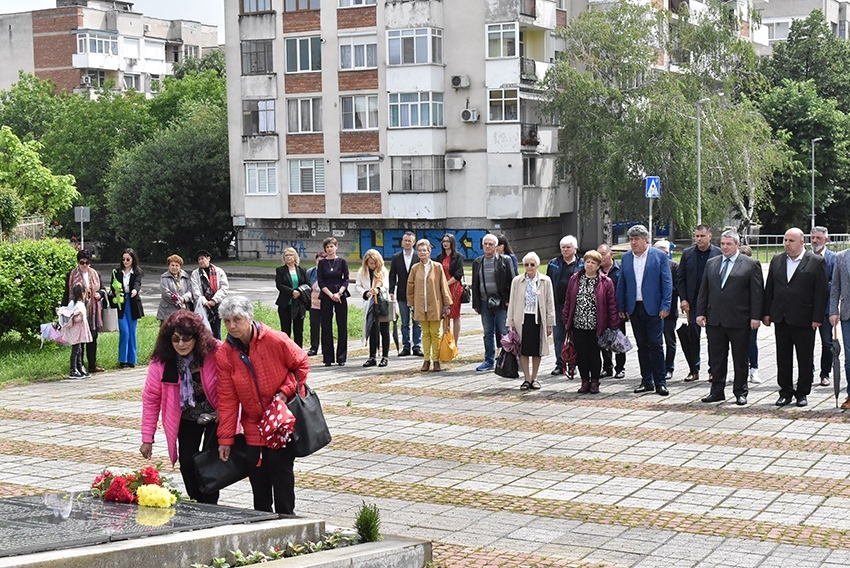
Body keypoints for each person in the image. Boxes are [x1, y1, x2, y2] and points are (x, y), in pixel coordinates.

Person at [216, 296, 310, 515]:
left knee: (281, 472)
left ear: (249, 318)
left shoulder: (275, 339)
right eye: (227, 321)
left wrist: (286, 391)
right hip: (253, 424)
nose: (232, 326)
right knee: (257, 477)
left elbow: (301, 364)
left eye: (237, 319)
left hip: (279, 421)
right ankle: (262, 524)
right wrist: (226, 439)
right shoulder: (225, 353)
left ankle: (287, 521)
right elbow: (227, 399)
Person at [140, 311, 221, 504]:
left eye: (186, 339)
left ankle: (209, 506)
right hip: (186, 416)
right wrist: (147, 438)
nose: (181, 344)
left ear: (197, 338)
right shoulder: (161, 362)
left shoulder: (214, 352)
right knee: (187, 462)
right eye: (176, 339)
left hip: (216, 414)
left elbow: (234, 380)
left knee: (209, 463)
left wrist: (228, 413)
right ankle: (196, 500)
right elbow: (151, 399)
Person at [696, 230, 764, 406]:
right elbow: (705, 290)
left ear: (737, 245)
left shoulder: (750, 264)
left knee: (740, 358)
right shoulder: (712, 263)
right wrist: (700, 312)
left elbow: (757, 294)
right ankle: (717, 392)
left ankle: (740, 392)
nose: (725, 247)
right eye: (723, 244)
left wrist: (756, 317)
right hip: (715, 320)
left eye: (729, 244)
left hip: (739, 319)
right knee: (717, 358)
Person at [764, 228, 828, 407]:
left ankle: (802, 392)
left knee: (804, 358)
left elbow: (821, 292)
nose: (787, 244)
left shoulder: (815, 262)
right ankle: (785, 391)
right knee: (783, 357)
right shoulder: (777, 260)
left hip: (804, 318)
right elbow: (770, 288)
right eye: (785, 240)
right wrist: (766, 312)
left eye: (791, 241)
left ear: (802, 242)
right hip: (781, 318)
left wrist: (817, 317)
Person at [617, 225, 673, 396]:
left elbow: (666, 282)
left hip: (654, 308)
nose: (633, 243)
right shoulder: (626, 258)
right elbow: (622, 283)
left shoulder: (659, 256)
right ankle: (646, 380)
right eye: (631, 239)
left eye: (636, 239)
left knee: (656, 345)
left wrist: (666, 305)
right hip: (635, 308)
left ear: (645, 239)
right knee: (642, 346)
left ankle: (660, 382)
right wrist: (621, 306)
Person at [563, 250, 620, 394]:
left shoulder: (606, 282)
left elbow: (612, 304)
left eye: (593, 263)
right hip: (578, 323)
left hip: (597, 325)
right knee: (581, 354)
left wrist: (613, 324)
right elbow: (569, 300)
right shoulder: (575, 279)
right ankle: (584, 381)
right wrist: (566, 318)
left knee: (594, 354)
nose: (589, 265)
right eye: (587, 262)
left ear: (598, 265)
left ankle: (595, 381)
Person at [676, 225, 721, 382]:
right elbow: (680, 278)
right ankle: (693, 370)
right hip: (693, 302)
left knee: (714, 338)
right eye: (697, 236)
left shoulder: (718, 253)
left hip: (713, 302)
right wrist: (683, 299)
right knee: (692, 336)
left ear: (710, 236)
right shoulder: (688, 254)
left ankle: (713, 370)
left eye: (702, 236)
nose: (699, 239)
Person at [506, 252, 555, 390]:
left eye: (532, 264)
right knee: (523, 349)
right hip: (521, 318)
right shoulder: (517, 280)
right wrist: (510, 322)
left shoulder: (545, 281)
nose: (529, 267)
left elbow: (549, 302)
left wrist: (550, 323)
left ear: (538, 265)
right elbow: (512, 301)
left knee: (536, 350)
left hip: (538, 318)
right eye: (526, 264)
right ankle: (526, 378)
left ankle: (535, 377)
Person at [471, 234, 516, 371]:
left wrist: (510, 300)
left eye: (491, 244)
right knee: (488, 332)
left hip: (502, 302)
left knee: (504, 331)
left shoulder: (505, 260)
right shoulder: (477, 262)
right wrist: (476, 304)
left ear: (496, 246)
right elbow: (475, 284)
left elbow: (512, 281)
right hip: (485, 302)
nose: (488, 246)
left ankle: (507, 359)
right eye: (486, 244)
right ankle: (489, 360)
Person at [407, 239, 453, 371]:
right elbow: (410, 287)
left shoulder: (437, 267)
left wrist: (446, 305)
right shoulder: (415, 268)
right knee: (425, 333)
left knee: (435, 333)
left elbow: (443, 286)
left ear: (429, 252)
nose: (422, 253)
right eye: (420, 250)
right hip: (420, 305)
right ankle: (426, 360)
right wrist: (411, 304)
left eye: (424, 250)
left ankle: (436, 360)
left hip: (434, 305)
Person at [63, 249, 105, 373]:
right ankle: (79, 366)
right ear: (78, 262)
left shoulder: (95, 274)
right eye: (82, 263)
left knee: (92, 337)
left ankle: (92, 364)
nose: (85, 265)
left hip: (93, 311)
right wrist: (64, 310)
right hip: (78, 312)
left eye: (87, 263)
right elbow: (67, 294)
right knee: (79, 340)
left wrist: (100, 294)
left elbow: (102, 289)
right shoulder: (72, 275)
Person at [547, 236, 582, 377]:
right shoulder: (553, 264)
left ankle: (573, 364)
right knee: (558, 337)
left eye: (568, 247)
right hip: (557, 306)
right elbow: (548, 283)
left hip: (576, 307)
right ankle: (560, 364)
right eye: (563, 247)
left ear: (575, 248)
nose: (566, 250)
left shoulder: (582, 264)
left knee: (574, 337)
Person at [355, 249, 392, 368]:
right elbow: (357, 286)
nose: (373, 265)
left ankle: (385, 356)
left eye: (374, 263)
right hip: (370, 304)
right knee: (372, 329)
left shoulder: (383, 271)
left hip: (381, 303)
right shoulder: (362, 271)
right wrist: (365, 293)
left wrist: (378, 290)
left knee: (384, 330)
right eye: (370, 263)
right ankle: (372, 356)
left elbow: (386, 286)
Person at [389, 231, 423, 357]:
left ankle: (417, 346)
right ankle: (406, 346)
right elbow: (392, 276)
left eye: (410, 241)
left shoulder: (418, 257)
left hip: (417, 294)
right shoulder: (396, 257)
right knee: (404, 322)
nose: (407, 242)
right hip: (402, 294)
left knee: (417, 321)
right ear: (402, 241)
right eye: (405, 240)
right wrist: (391, 291)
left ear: (413, 242)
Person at [109, 248, 144, 368]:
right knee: (124, 331)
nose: (125, 261)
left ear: (133, 260)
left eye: (128, 259)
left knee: (132, 332)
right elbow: (112, 287)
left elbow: (137, 283)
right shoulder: (117, 272)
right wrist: (115, 292)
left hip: (132, 303)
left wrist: (135, 290)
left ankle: (131, 360)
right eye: (123, 259)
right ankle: (122, 359)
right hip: (120, 303)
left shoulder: (137, 272)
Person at [317, 237, 349, 366]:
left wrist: (339, 293)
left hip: (340, 294)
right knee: (326, 326)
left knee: (342, 325)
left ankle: (341, 357)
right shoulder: (322, 263)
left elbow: (346, 279)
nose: (330, 249)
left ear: (336, 247)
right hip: (326, 295)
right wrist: (330, 295)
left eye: (332, 246)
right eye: (327, 247)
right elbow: (321, 281)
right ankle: (328, 358)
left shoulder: (342, 261)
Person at [811, 227, 836, 386]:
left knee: (827, 343)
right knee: (806, 344)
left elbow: (835, 283)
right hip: (807, 308)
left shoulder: (833, 259)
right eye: (812, 237)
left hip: (826, 309)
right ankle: (808, 371)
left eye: (818, 238)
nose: (815, 241)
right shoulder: (805, 257)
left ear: (826, 240)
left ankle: (825, 373)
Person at [598, 243, 626, 379]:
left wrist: (624, 308)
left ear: (611, 254)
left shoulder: (621, 269)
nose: (601, 258)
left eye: (603, 254)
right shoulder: (597, 271)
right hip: (601, 312)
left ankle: (620, 368)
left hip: (617, 311)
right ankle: (607, 367)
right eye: (599, 255)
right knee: (604, 341)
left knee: (619, 339)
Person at [653, 240, 679, 380]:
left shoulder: (674, 267)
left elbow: (677, 287)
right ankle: (655, 368)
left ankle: (669, 367)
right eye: (662, 251)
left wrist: (665, 291)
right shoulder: (650, 266)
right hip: (652, 310)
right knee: (654, 342)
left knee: (670, 340)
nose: (666, 253)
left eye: (667, 251)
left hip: (669, 311)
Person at [191, 250, 229, 340]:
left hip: (216, 307)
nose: (201, 261)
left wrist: (214, 300)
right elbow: (195, 290)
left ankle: (218, 351)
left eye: (202, 258)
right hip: (202, 307)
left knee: (216, 331)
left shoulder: (218, 271)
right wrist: (205, 302)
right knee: (203, 332)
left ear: (208, 258)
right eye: (199, 259)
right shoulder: (195, 274)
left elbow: (224, 288)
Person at [275, 247, 309, 347]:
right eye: (286, 255)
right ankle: (286, 351)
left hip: (299, 303)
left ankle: (298, 351)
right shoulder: (280, 270)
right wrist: (292, 292)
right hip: (285, 304)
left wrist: (298, 292)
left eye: (291, 255)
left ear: (295, 257)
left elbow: (307, 284)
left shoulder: (302, 269)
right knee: (286, 330)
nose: (289, 257)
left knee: (298, 330)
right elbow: (279, 285)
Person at [829, 247, 850, 409]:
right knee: (849, 358)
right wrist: (833, 311)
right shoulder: (841, 257)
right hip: (847, 315)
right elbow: (835, 286)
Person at [436, 233, 465, 347]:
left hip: (454, 288)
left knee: (455, 315)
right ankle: (446, 341)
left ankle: (455, 342)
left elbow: (459, 274)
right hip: (442, 288)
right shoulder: (439, 257)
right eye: (443, 241)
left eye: (447, 241)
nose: (445, 243)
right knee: (445, 314)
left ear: (452, 242)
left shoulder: (458, 256)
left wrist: (446, 284)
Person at [739, 245, 761, 384]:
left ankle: (754, 369)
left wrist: (757, 315)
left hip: (751, 313)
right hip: (736, 313)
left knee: (751, 342)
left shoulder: (754, 269)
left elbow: (758, 293)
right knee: (738, 344)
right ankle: (740, 370)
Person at [61, 283, 93, 379]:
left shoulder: (71, 303)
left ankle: (79, 368)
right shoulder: (80, 304)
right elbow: (78, 318)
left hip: (73, 330)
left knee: (78, 349)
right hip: (78, 330)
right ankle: (73, 369)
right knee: (76, 350)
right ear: (83, 293)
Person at [157, 254, 196, 324]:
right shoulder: (164, 278)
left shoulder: (186, 276)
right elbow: (166, 293)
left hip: (184, 310)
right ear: (168, 266)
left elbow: (190, 291)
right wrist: (180, 302)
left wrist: (184, 298)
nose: (174, 267)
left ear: (180, 266)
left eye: (177, 265)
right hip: (168, 311)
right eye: (172, 265)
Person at [305, 251, 326, 356]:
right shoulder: (311, 272)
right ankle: (314, 347)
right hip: (314, 304)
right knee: (314, 326)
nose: (320, 263)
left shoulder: (329, 272)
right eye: (319, 261)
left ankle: (326, 348)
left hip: (326, 304)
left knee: (326, 326)